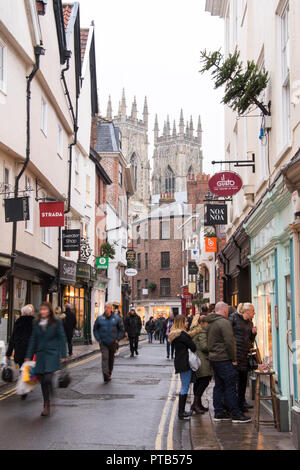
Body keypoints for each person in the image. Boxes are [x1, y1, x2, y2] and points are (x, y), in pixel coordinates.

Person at [206, 301, 251, 424]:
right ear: (224, 310)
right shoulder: (224, 323)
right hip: (224, 359)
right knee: (231, 386)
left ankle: (219, 412)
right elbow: (230, 342)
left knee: (219, 385)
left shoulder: (210, 323)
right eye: (227, 311)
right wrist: (234, 359)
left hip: (214, 358)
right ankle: (236, 414)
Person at [25, 302, 67, 417]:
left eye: (45, 309)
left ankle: (47, 403)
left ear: (49, 311)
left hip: (52, 354)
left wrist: (64, 355)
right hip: (41, 355)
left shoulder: (56, 322)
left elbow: (62, 338)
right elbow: (33, 339)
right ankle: (47, 402)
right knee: (42, 379)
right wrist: (28, 355)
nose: (43, 311)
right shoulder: (36, 323)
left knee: (47, 378)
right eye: (41, 310)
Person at [229, 302, 257, 412]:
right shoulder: (233, 319)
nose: (254, 313)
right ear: (247, 311)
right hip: (235, 356)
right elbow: (228, 337)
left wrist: (253, 333)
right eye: (253, 310)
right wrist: (232, 357)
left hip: (244, 356)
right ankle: (235, 407)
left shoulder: (250, 323)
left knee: (243, 382)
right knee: (235, 382)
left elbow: (250, 340)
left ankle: (241, 403)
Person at [168, 314, 197, 420]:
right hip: (185, 362)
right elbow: (193, 347)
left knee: (185, 386)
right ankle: (181, 412)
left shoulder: (175, 335)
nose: (187, 323)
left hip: (180, 361)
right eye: (185, 321)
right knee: (185, 387)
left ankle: (182, 411)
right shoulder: (183, 335)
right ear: (181, 323)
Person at [93, 303, 125, 383]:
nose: (106, 309)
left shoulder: (117, 318)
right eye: (105, 307)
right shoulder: (100, 318)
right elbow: (95, 329)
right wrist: (98, 338)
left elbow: (121, 330)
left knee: (111, 359)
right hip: (103, 342)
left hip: (113, 342)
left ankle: (109, 373)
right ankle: (105, 374)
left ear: (111, 309)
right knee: (105, 358)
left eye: (108, 308)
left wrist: (118, 339)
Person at [189, 314, 212, 414]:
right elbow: (204, 347)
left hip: (197, 359)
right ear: (202, 323)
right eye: (207, 323)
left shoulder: (195, 329)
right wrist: (213, 346)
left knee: (198, 382)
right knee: (204, 380)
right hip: (202, 359)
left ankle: (197, 404)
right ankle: (195, 404)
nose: (208, 325)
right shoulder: (202, 331)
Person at [6, 304, 35, 369]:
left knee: (21, 368)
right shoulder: (34, 322)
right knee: (29, 369)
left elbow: (13, 337)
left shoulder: (19, 321)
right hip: (31, 350)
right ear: (30, 312)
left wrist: (9, 353)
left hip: (19, 350)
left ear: (23, 313)